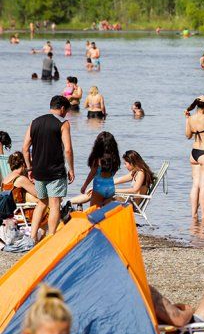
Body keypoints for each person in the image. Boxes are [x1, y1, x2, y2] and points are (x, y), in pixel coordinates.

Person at [23, 96, 74, 240]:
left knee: (41, 203)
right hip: (55, 171)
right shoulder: (63, 123)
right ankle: (51, 237)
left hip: (38, 171)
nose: (66, 114)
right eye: (66, 111)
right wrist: (71, 169)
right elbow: (68, 150)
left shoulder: (34, 122)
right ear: (62, 108)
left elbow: (25, 148)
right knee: (55, 204)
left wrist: (30, 169)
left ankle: (32, 237)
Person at [77, 132, 120, 207]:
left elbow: (92, 174)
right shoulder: (115, 159)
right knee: (106, 212)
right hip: (110, 187)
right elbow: (114, 172)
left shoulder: (97, 159)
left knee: (94, 212)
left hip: (99, 188)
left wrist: (84, 186)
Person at [2, 151, 43, 224]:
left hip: (12, 213)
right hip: (23, 213)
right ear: (23, 164)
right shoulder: (21, 179)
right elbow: (40, 194)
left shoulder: (5, 180)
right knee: (47, 203)